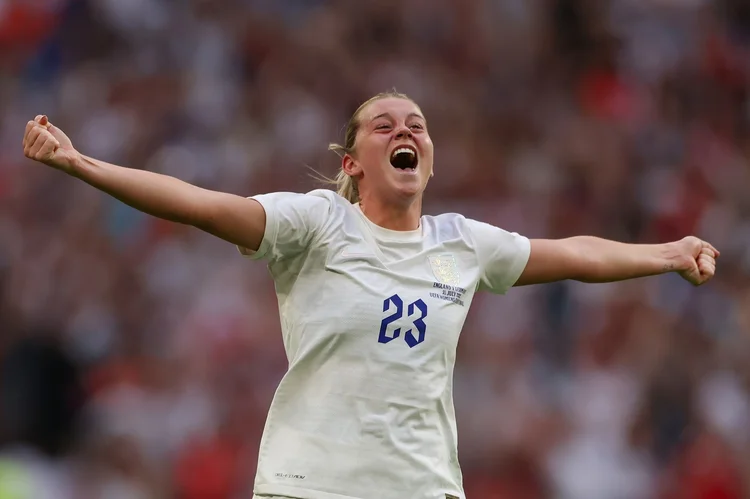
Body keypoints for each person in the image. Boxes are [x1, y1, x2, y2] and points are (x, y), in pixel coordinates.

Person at [22, 90, 718, 499]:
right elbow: (203, 205)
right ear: (353, 164)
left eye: (416, 123)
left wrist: (665, 252)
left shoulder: (461, 243)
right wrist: (83, 164)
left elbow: (571, 254)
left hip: (421, 488)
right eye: (384, 125)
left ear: (430, 158)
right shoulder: (317, 223)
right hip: (311, 486)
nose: (405, 130)